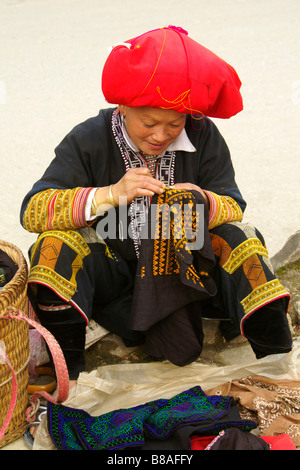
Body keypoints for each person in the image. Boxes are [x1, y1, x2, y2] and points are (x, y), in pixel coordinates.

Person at [20, 26, 292, 388]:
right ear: (123, 108)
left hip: (190, 274)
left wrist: (201, 200)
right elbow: (33, 211)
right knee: (53, 245)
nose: (161, 135)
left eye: (174, 124)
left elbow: (233, 206)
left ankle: (276, 363)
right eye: (148, 123)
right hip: (113, 273)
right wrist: (109, 194)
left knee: (241, 236)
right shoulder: (89, 138)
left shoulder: (203, 133)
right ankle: (66, 368)